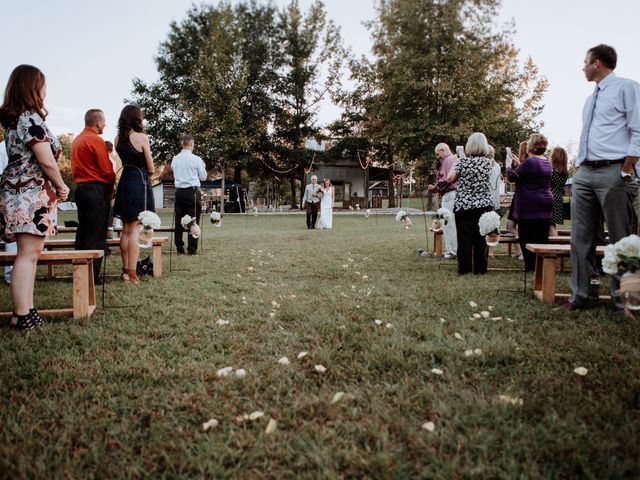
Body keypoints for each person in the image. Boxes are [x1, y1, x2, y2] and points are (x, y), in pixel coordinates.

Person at [561, 44, 640, 317]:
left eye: (585, 62)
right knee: (579, 238)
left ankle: (626, 302)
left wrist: (627, 169)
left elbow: (638, 128)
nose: (582, 67)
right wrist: (580, 168)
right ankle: (579, 295)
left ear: (597, 62)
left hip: (614, 170)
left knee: (621, 239)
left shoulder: (626, 87)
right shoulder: (590, 98)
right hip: (584, 173)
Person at [0, 65, 70, 329]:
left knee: (31, 252)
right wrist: (62, 186)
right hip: (28, 193)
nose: (45, 90)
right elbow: (46, 160)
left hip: (21, 190)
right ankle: (22, 313)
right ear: (32, 87)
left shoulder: (16, 119)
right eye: (43, 85)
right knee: (28, 254)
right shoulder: (29, 118)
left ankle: (26, 310)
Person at [71, 109, 116, 284]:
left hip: (81, 189)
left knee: (83, 231)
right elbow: (107, 170)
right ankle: (92, 277)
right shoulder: (95, 140)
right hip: (96, 189)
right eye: (104, 121)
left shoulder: (77, 140)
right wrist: (111, 189)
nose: (105, 124)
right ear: (98, 123)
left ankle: (79, 272)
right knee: (96, 233)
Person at [113, 105, 155, 284]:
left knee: (125, 230)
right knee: (135, 231)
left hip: (125, 183)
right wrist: (149, 172)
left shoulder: (117, 139)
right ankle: (132, 272)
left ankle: (125, 271)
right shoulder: (141, 137)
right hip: (139, 183)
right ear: (138, 119)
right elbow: (151, 168)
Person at [447, 132, 494, 275]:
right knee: (481, 239)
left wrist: (455, 162)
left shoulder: (462, 162)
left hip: (464, 205)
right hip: (483, 205)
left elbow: (450, 179)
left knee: (464, 239)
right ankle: (480, 269)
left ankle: (464, 269)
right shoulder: (489, 162)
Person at [506, 133, 553, 272]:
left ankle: (531, 267)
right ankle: (540, 267)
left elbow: (511, 177)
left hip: (530, 204)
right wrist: (520, 165)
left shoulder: (531, 162)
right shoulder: (546, 161)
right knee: (541, 237)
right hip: (545, 203)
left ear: (532, 146)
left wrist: (508, 165)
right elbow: (532, 176)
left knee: (527, 236)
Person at [171, 134, 206, 254]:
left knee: (178, 221)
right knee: (193, 220)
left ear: (182, 144)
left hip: (179, 191)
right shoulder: (196, 159)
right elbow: (203, 177)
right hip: (192, 192)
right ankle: (192, 249)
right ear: (191, 144)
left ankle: (179, 249)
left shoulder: (175, 159)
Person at [428, 143, 457, 259]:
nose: (437, 157)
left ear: (443, 150)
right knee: (454, 224)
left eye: (437, 154)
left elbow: (445, 180)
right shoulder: (455, 159)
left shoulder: (447, 160)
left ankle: (451, 252)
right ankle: (455, 250)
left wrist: (434, 188)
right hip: (455, 195)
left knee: (448, 224)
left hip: (450, 195)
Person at [0, 140, 16, 284]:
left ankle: (12, 274)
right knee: (11, 235)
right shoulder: (4, 147)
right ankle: (11, 275)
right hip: (9, 196)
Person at [549, 147, 569, 236]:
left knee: (550, 225)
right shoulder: (564, 172)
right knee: (552, 224)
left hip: (550, 198)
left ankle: (555, 244)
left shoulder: (552, 172)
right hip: (558, 197)